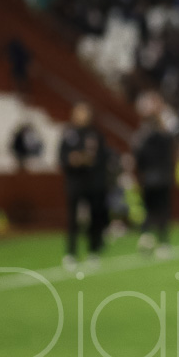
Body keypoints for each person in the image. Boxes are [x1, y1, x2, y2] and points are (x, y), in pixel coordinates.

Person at [58, 103, 111, 271]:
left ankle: (93, 251)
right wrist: (72, 160)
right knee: (73, 220)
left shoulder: (95, 134)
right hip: (75, 183)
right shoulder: (68, 134)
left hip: (93, 183)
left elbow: (103, 158)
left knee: (95, 218)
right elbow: (61, 157)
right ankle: (71, 253)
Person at [133, 94, 176, 259]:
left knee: (148, 210)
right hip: (162, 178)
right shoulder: (164, 138)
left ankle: (146, 236)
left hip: (148, 179)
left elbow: (138, 158)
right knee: (163, 211)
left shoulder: (142, 139)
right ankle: (163, 242)